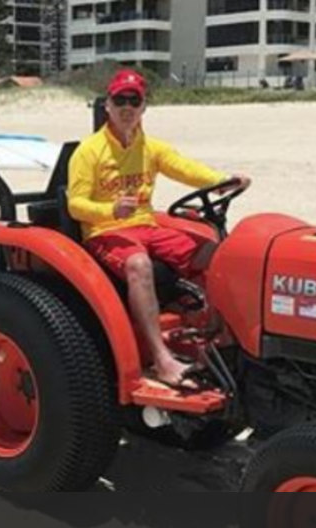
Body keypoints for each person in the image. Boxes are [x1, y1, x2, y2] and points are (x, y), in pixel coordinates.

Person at [67, 68, 249, 389]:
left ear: (143, 107)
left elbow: (185, 169)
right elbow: (75, 204)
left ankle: (220, 337)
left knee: (215, 253)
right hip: (105, 231)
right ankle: (161, 358)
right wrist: (110, 209)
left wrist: (221, 181)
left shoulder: (150, 148)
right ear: (107, 105)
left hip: (145, 225)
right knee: (139, 264)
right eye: (119, 99)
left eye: (133, 100)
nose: (126, 107)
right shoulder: (89, 152)